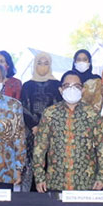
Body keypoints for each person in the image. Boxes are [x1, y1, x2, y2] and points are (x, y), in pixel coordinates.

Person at [34, 71, 103, 192]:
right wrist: (39, 176)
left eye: (76, 86)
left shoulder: (92, 114)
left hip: (85, 181)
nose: (72, 89)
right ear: (60, 90)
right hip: (56, 180)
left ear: (83, 90)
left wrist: (102, 176)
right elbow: (40, 146)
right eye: (67, 86)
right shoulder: (50, 113)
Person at [19, 52, 61, 191]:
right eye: (39, 63)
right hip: (33, 133)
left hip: (53, 133)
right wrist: (34, 126)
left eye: (46, 63)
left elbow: (59, 107)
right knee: (33, 164)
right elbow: (24, 107)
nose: (42, 66)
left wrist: (46, 127)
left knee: (51, 163)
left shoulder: (57, 85)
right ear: (34, 65)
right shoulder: (27, 85)